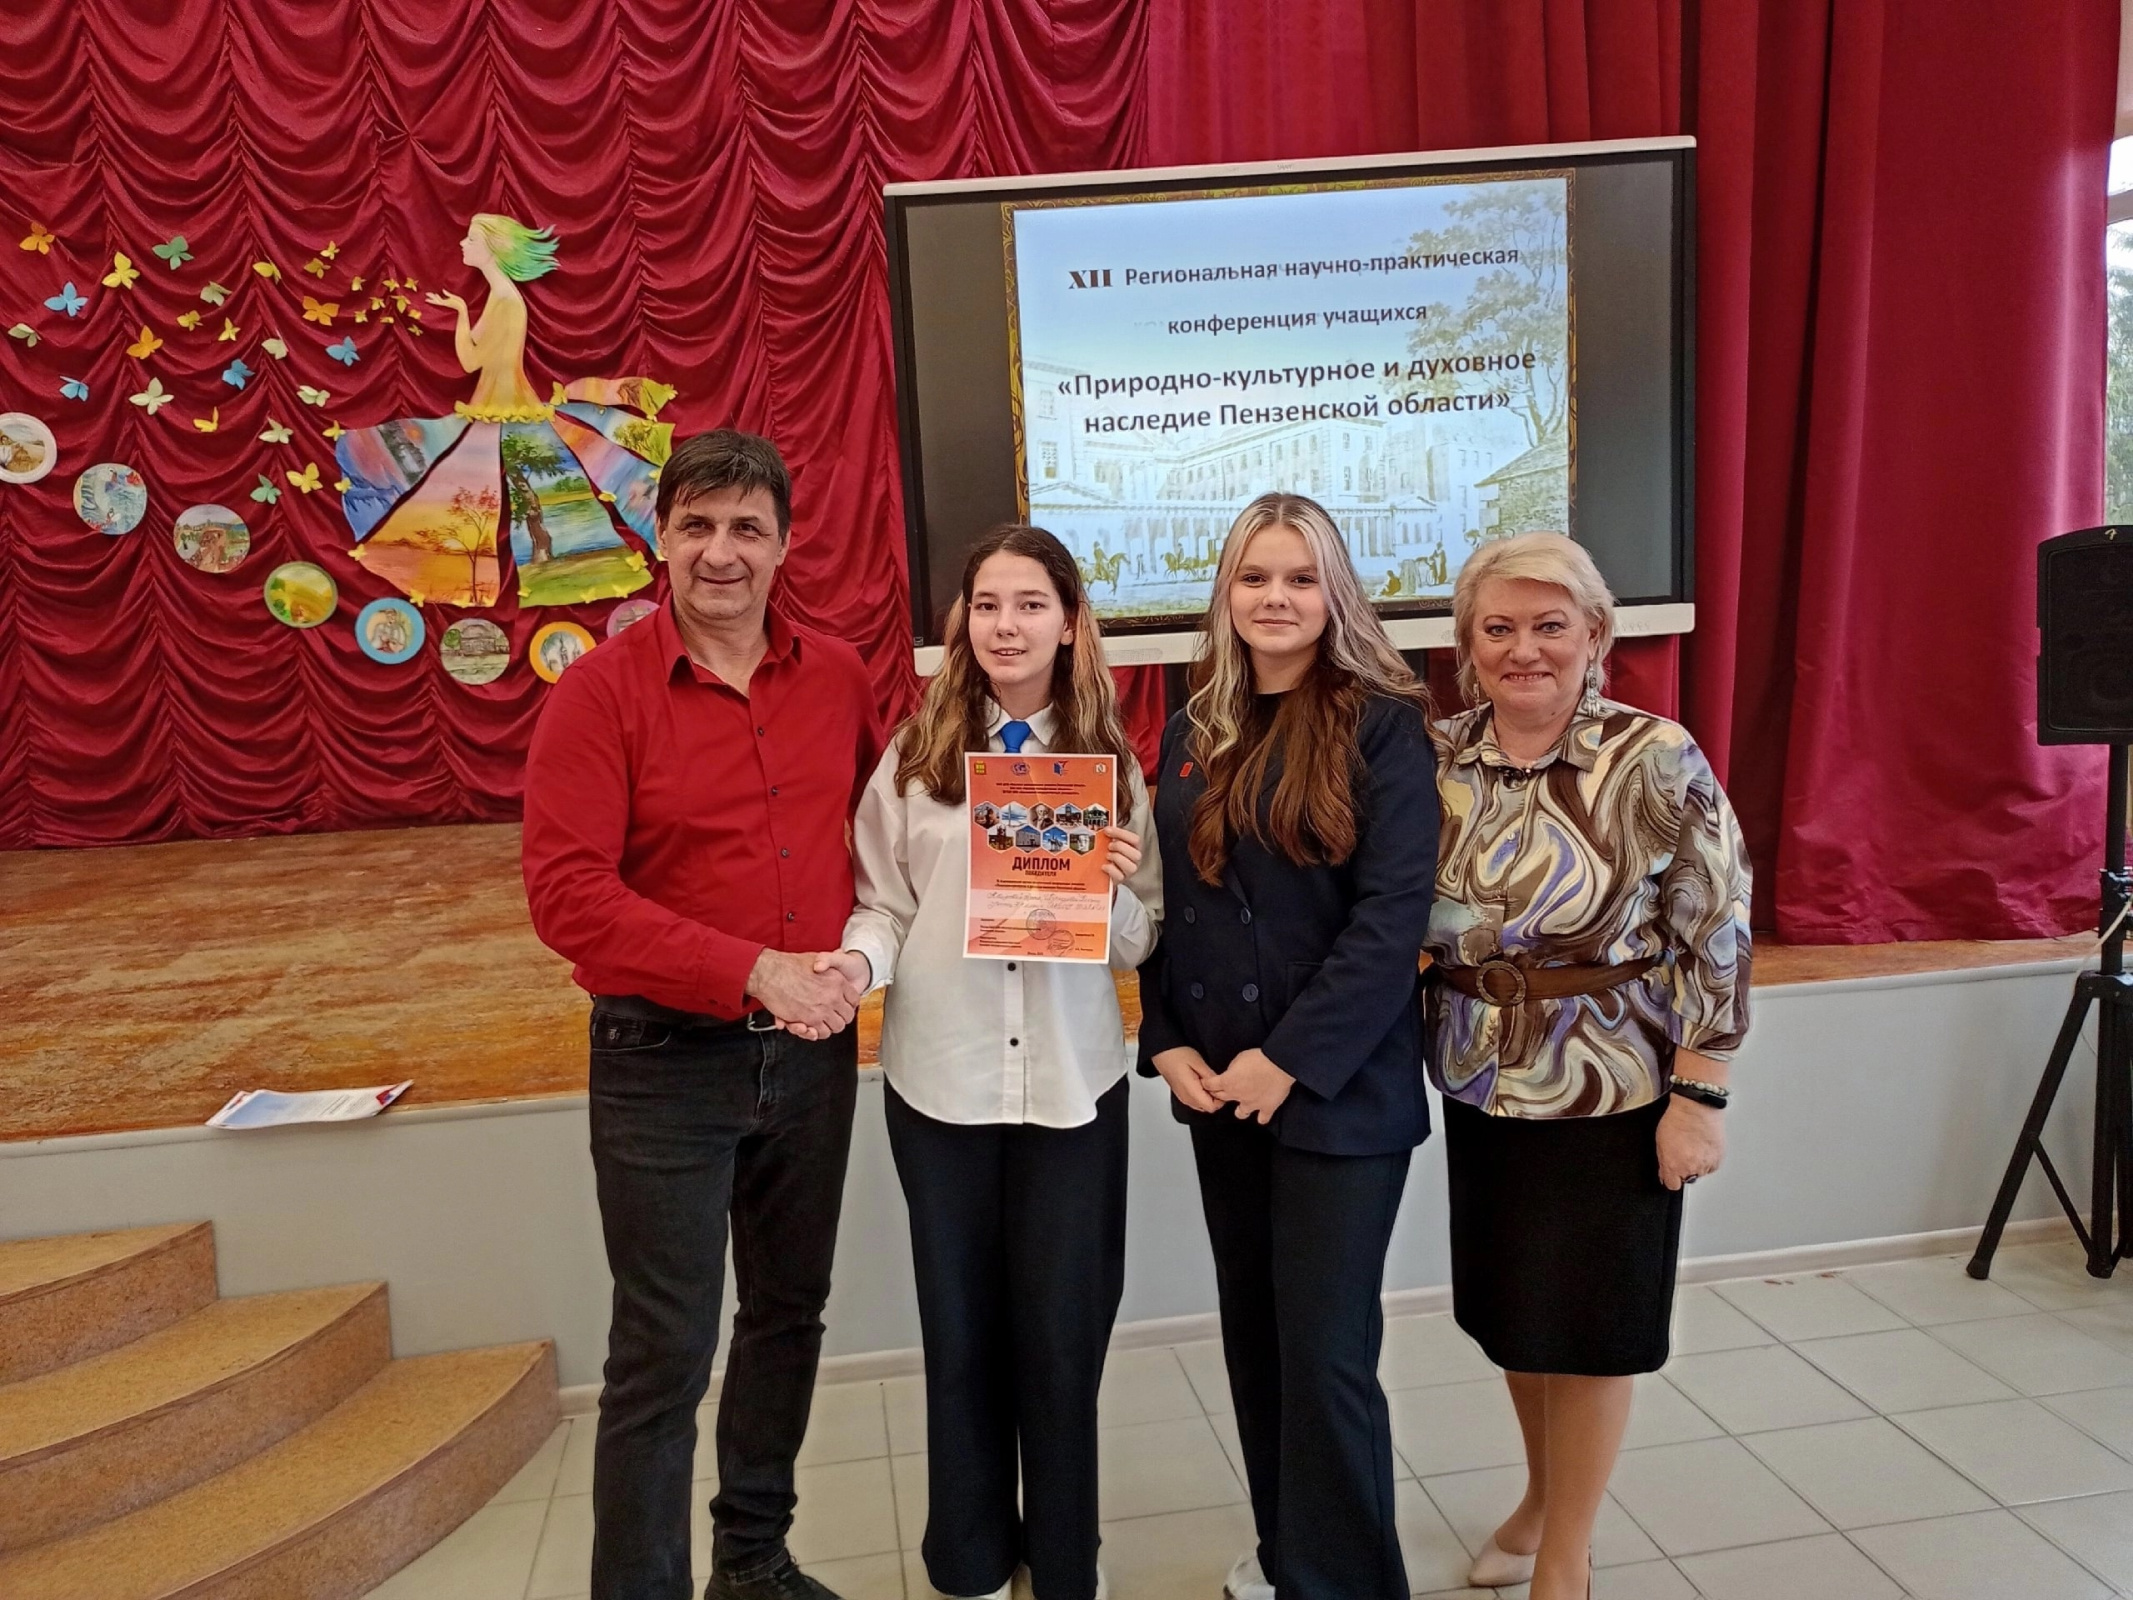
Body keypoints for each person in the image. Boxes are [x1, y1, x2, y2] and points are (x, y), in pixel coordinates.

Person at [521, 429, 885, 1600]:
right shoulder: (598, 695)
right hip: (661, 1062)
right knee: (663, 1354)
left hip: (811, 1062)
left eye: (746, 528)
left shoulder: (838, 679)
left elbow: (882, 844)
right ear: (660, 538)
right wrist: (753, 968)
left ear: (784, 545)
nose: (720, 552)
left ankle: (753, 1563)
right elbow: (567, 898)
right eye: (697, 526)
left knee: (787, 1315)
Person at [816, 525, 1161, 1600]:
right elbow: (882, 904)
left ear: (1069, 622)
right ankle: (967, 1558)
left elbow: (1138, 937)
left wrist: (1112, 888)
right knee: (960, 1331)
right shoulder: (916, 759)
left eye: (1030, 604)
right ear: (961, 622)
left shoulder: (1107, 766)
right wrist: (853, 967)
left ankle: (1063, 1564)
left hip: (1071, 1088)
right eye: (987, 605)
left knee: (1062, 1337)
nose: (1006, 625)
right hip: (942, 1082)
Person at [1426, 532, 1751, 1600]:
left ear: (1595, 634)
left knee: (1594, 1330)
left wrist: (1700, 1096)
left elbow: (1717, 928)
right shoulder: (1436, 757)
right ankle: (1537, 1498)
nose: (1523, 649)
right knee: (1520, 1318)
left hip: (1616, 1087)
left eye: (1549, 625)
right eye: (1498, 627)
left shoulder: (1653, 756)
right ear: (1468, 644)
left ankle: (1566, 1553)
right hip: (1481, 1082)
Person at [1136, 492, 1438, 1600]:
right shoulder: (1191, 725)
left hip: (1335, 1091)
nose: (1276, 598)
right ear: (1225, 593)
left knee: (1324, 1354)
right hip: (1220, 1088)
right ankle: (1285, 1558)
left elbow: (1391, 918)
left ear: (1334, 594)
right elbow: (1171, 903)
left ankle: (1348, 1584)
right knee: (1258, 1340)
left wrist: (1290, 1060)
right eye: (1254, 577)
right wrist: (1164, 1036)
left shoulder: (1383, 722)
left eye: (1300, 579)